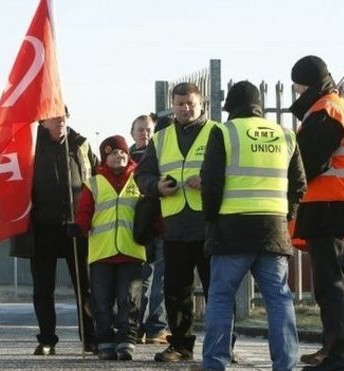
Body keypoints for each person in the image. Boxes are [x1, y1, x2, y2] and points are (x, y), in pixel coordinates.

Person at [200, 81, 306, 370]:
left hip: (230, 229)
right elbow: (299, 184)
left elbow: (211, 183)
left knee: (221, 298)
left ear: (231, 108)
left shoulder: (223, 131)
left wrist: (211, 218)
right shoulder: (285, 135)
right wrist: (285, 215)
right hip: (273, 230)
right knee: (279, 300)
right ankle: (285, 365)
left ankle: (215, 364)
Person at [289, 55, 344, 371]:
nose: (296, 93)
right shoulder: (343, 110)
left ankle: (342, 356)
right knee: (334, 282)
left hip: (327, 207)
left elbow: (306, 162)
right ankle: (336, 351)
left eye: (298, 87)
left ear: (306, 83)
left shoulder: (326, 111)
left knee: (329, 284)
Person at [135, 82, 219, 362]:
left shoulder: (216, 133)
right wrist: (156, 186)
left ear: (201, 104)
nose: (185, 109)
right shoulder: (160, 138)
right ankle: (181, 345)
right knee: (176, 291)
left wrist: (206, 182)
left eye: (190, 104)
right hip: (174, 226)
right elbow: (142, 175)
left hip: (209, 224)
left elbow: (230, 173)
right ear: (172, 106)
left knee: (216, 290)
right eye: (180, 104)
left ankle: (222, 347)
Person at [9, 107, 98, 355]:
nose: (60, 120)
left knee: (85, 286)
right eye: (54, 116)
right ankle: (47, 339)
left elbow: (97, 177)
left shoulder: (80, 144)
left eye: (64, 116)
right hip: (41, 227)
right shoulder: (28, 146)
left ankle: (90, 338)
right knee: (43, 288)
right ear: (42, 120)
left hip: (76, 226)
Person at [69, 135, 146, 361]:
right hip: (102, 253)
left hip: (131, 251)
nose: (118, 156)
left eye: (122, 152)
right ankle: (105, 340)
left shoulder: (139, 179)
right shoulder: (94, 183)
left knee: (129, 300)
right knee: (101, 302)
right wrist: (78, 227)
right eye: (113, 153)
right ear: (105, 157)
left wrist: (156, 229)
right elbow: (84, 212)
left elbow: (150, 209)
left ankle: (126, 340)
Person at [129, 114, 170, 345]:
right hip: (139, 226)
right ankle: (135, 326)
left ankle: (156, 326)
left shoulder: (163, 154)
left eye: (148, 129)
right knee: (140, 278)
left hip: (162, 222)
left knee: (161, 277)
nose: (145, 133)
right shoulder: (124, 158)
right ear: (132, 132)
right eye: (140, 129)